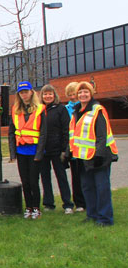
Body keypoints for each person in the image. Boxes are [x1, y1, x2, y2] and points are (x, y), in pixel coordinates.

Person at [68, 81, 118, 226]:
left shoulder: (98, 110)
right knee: (87, 187)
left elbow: (102, 136)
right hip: (83, 157)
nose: (83, 94)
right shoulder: (77, 111)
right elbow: (74, 135)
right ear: (76, 95)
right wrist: (68, 152)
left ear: (91, 93)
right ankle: (92, 215)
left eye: (86, 92)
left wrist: (99, 155)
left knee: (102, 188)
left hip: (99, 158)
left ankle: (105, 218)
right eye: (80, 92)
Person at [8, 81, 47, 220]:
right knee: (24, 181)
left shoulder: (40, 109)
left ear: (31, 92)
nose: (24, 94)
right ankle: (28, 207)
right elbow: (11, 132)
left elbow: (43, 133)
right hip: (21, 151)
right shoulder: (15, 109)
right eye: (21, 92)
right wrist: (12, 153)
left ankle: (36, 208)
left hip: (34, 150)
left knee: (33, 181)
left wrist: (39, 153)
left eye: (26, 92)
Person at [39, 84, 74, 214]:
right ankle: (48, 203)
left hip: (58, 150)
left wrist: (65, 149)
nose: (47, 96)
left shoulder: (61, 109)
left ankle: (68, 204)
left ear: (54, 95)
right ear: (41, 96)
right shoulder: (39, 110)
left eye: (50, 94)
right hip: (43, 150)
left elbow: (66, 129)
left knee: (61, 177)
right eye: (45, 94)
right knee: (45, 177)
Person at [64, 82, 86, 212]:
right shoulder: (66, 109)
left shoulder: (85, 107)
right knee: (76, 176)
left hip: (85, 147)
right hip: (73, 147)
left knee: (87, 175)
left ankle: (89, 200)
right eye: (70, 94)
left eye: (75, 93)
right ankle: (79, 202)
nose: (73, 96)